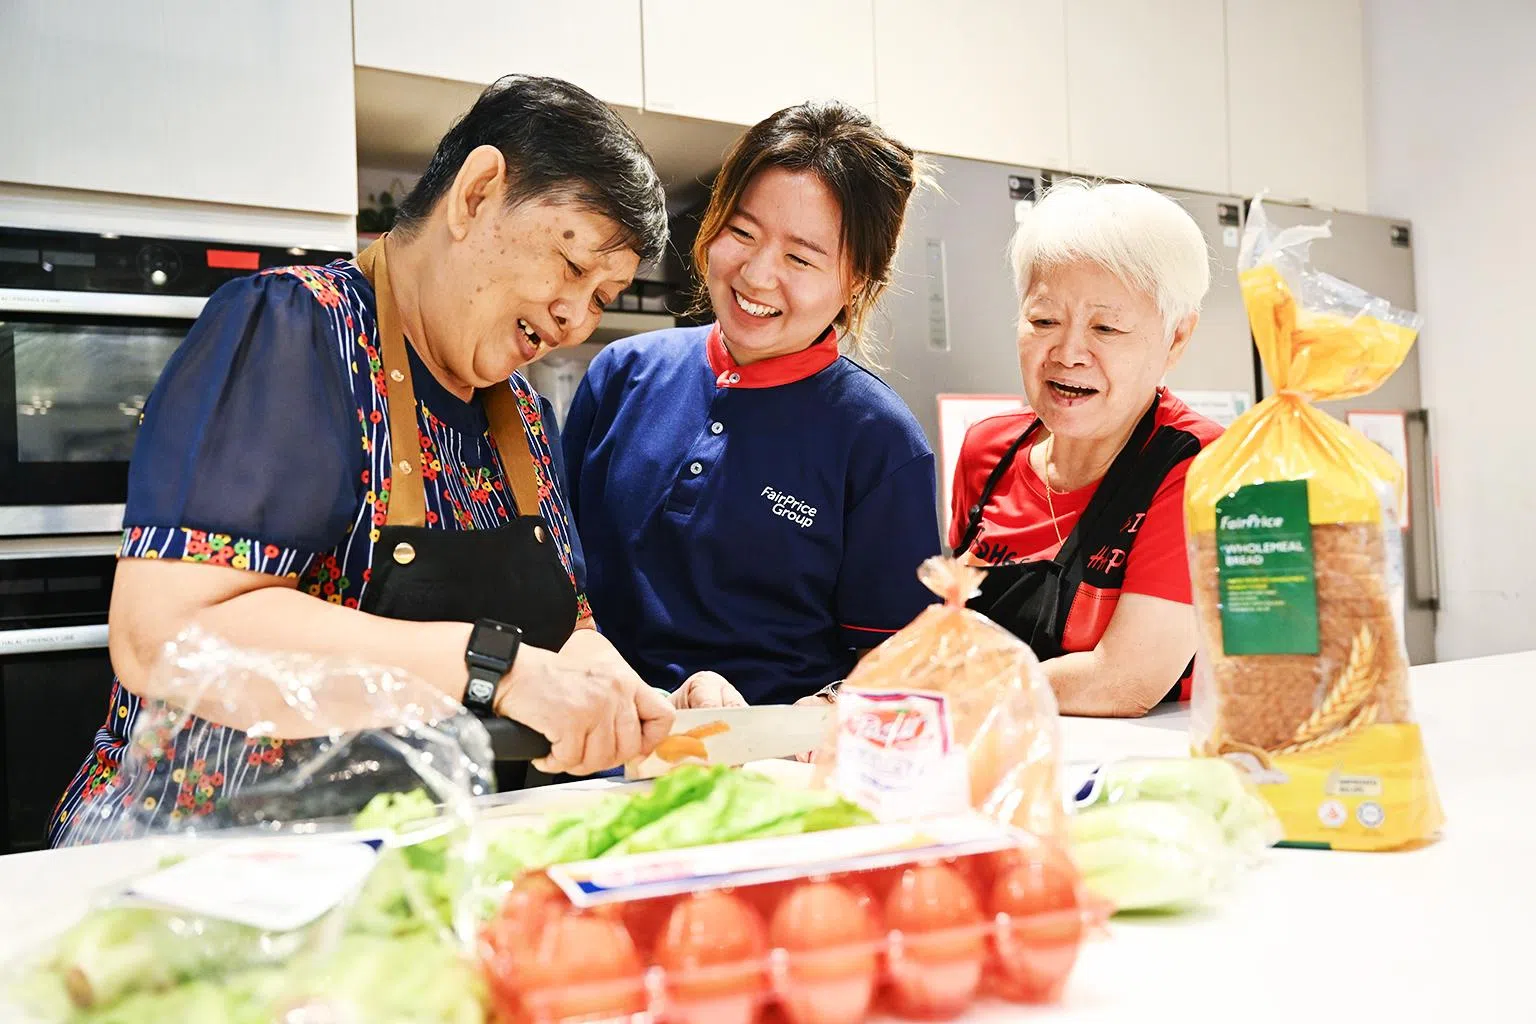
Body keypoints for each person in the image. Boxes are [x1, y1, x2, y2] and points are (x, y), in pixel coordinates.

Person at [51, 75, 679, 846]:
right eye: (573, 268)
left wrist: (636, 700)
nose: (576, 319)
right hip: (204, 856)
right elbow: (167, 635)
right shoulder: (297, 331)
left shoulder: (521, 414)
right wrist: (493, 668)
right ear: (477, 192)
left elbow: (564, 631)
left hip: (409, 853)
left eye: (602, 297)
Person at [562, 101, 941, 707]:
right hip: (591, 754)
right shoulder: (621, 375)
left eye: (800, 257)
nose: (757, 275)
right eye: (741, 232)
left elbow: (904, 667)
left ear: (858, 279)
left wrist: (817, 716)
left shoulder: (880, 441)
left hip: (770, 775)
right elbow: (555, 587)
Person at [949, 179, 1223, 718]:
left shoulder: (1200, 465)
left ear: (1177, 338)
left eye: (1107, 327)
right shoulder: (989, 450)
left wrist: (935, 697)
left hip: (1129, 777)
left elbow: (1124, 681)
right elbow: (948, 626)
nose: (1069, 352)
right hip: (990, 762)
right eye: (1044, 320)